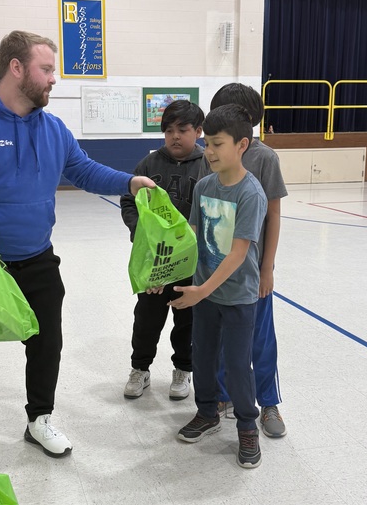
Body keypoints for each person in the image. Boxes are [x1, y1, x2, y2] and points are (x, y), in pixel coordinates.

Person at [0, 30, 155, 477]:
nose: (53, 80)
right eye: (46, 69)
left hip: (38, 258)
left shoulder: (52, 128)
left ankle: (39, 420)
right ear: (16, 68)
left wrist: (128, 182)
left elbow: (83, 170)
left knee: (47, 344)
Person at [171, 104, 267, 469]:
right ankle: (207, 412)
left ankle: (247, 425)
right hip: (205, 293)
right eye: (207, 143)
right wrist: (165, 274)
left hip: (236, 295)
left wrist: (202, 290)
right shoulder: (206, 186)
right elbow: (192, 235)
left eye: (217, 144)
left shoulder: (251, 194)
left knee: (239, 366)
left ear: (242, 145)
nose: (208, 152)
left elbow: (239, 253)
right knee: (204, 356)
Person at [199, 83, 288, 438]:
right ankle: (223, 397)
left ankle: (268, 402)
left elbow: (275, 215)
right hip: (218, 269)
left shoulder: (264, 158)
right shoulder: (210, 155)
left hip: (251, 271)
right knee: (220, 340)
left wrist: (266, 269)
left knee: (260, 339)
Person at [119, 99, 204, 401]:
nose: (175, 136)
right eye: (169, 130)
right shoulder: (148, 165)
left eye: (183, 129)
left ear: (198, 131)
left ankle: (183, 370)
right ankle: (140, 369)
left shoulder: (207, 166)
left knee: (187, 322)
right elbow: (129, 202)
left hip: (191, 266)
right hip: (155, 262)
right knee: (146, 319)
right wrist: (140, 233)